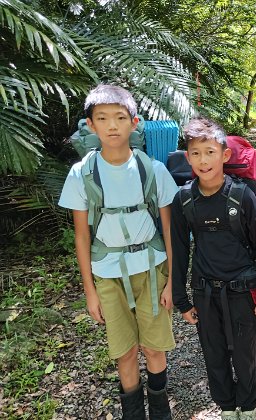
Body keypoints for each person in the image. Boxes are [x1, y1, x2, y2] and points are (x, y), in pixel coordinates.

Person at [59, 85, 179, 419]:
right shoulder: (82, 174)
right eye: (102, 118)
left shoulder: (153, 170)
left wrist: (173, 281)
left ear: (134, 122)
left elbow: (170, 229)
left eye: (120, 117)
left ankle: (160, 412)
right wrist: (90, 291)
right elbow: (81, 236)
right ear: (90, 125)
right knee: (124, 352)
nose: (112, 125)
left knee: (154, 348)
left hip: (152, 270)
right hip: (107, 275)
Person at [170, 117, 256, 420]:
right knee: (213, 354)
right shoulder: (184, 199)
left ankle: (249, 407)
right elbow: (179, 249)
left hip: (242, 291)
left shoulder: (242, 195)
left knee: (244, 353)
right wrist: (181, 300)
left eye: (210, 152)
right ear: (188, 157)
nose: (203, 160)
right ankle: (227, 408)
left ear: (225, 154)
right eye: (196, 153)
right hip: (205, 291)